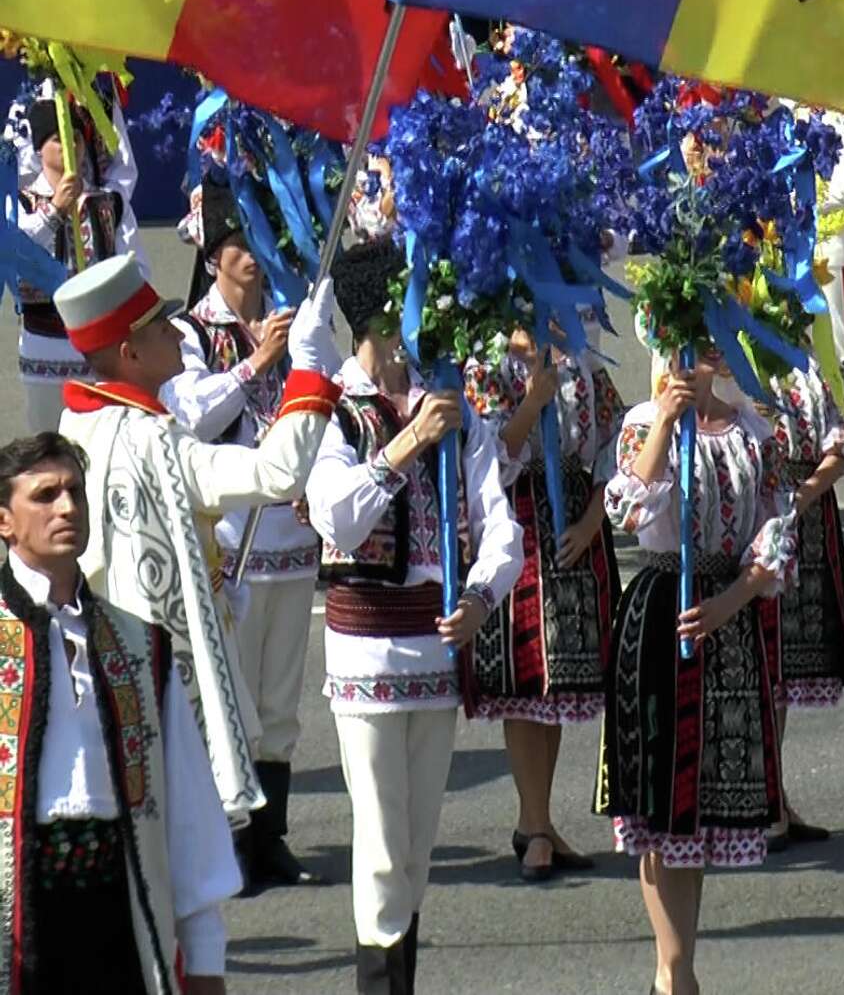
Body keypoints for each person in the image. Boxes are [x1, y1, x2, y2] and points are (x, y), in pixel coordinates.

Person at [56, 251, 341, 826]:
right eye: (160, 327)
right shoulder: (155, 440)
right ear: (129, 353)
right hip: (166, 680)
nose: (175, 335)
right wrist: (311, 371)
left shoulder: (78, 424)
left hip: (114, 669)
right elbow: (275, 474)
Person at [306, 240, 523, 993]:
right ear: (379, 319)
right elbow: (334, 512)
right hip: (364, 649)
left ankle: (401, 976)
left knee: (419, 845)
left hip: (434, 646)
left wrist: (481, 596)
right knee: (382, 844)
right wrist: (405, 444)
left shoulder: (451, 405)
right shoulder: (333, 407)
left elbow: (501, 524)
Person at [0, 432, 238, 994]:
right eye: (45, 495)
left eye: (76, 493)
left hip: (117, 911)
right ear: (4, 521)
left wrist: (205, 964)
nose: (66, 507)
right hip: (19, 920)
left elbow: (189, 812)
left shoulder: (137, 645)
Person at [598, 349, 794, 995]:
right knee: (660, 802)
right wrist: (663, 421)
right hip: (660, 613)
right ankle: (674, 969)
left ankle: (678, 968)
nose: (701, 353)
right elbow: (626, 509)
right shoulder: (644, 422)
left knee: (699, 809)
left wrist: (729, 602)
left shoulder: (751, 428)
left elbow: (776, 531)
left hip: (725, 614)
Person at [162, 178, 325, 892]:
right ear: (211, 250)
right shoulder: (189, 331)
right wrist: (257, 361)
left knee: (283, 697)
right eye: (237, 243)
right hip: (231, 542)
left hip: (291, 533)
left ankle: (272, 839)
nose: (251, 257)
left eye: (259, 241)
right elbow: (189, 414)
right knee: (233, 696)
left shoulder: (293, 321)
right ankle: (227, 838)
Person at [461, 322, 625, 881]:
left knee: (555, 687)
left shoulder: (582, 364)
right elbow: (491, 454)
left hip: (573, 525)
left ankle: (540, 818)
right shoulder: (486, 365)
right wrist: (533, 399)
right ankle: (534, 825)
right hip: (517, 521)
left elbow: (614, 449)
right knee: (525, 679)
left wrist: (590, 521)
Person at [757, 360, 844, 850]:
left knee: (780, 668)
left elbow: (843, 441)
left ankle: (773, 792)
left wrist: (803, 494)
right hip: (752, 516)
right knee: (757, 661)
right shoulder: (721, 362)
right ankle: (759, 800)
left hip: (801, 518)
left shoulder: (806, 365)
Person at [14, 96, 139, 432]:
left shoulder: (107, 202)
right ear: (39, 148)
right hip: (44, 343)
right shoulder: (21, 202)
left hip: (97, 344)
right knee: (46, 444)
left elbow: (132, 264)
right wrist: (54, 209)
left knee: (99, 442)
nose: (70, 143)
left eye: (77, 136)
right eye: (57, 138)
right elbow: (17, 253)